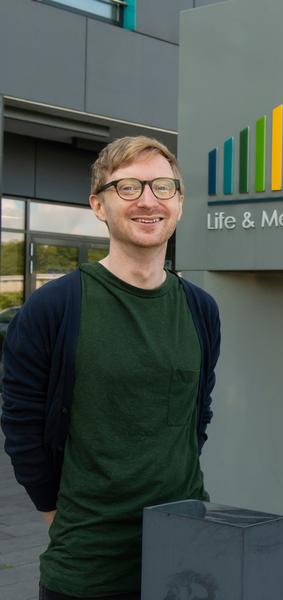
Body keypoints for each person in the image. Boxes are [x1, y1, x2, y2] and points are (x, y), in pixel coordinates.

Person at [1, 136, 221, 600]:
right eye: (128, 187)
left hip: (185, 552)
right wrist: (55, 513)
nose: (148, 200)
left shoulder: (201, 309)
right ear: (98, 206)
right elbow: (22, 425)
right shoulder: (54, 307)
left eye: (164, 187)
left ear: (179, 204)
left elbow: (196, 415)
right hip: (88, 566)